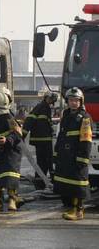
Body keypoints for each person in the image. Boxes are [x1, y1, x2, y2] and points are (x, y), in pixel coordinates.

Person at [53, 87, 92, 221]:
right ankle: (72, 207)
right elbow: (61, 136)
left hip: (77, 155)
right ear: (67, 101)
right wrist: (56, 152)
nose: (73, 103)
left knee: (78, 183)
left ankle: (78, 210)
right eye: (71, 100)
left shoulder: (85, 118)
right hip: (65, 156)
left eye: (76, 100)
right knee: (68, 182)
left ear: (81, 102)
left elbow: (86, 140)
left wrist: (82, 158)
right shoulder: (66, 115)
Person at [0, 91, 23, 212]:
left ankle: (12, 199)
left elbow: (18, 135)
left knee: (10, 177)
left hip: (10, 154)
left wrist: (7, 140)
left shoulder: (10, 118)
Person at [23, 92, 58, 190]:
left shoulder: (45, 107)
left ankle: (41, 183)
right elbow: (29, 120)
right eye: (51, 100)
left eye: (53, 101)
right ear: (46, 98)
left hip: (44, 139)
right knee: (47, 161)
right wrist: (23, 135)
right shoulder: (40, 107)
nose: (51, 102)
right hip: (43, 140)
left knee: (43, 162)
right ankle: (50, 183)